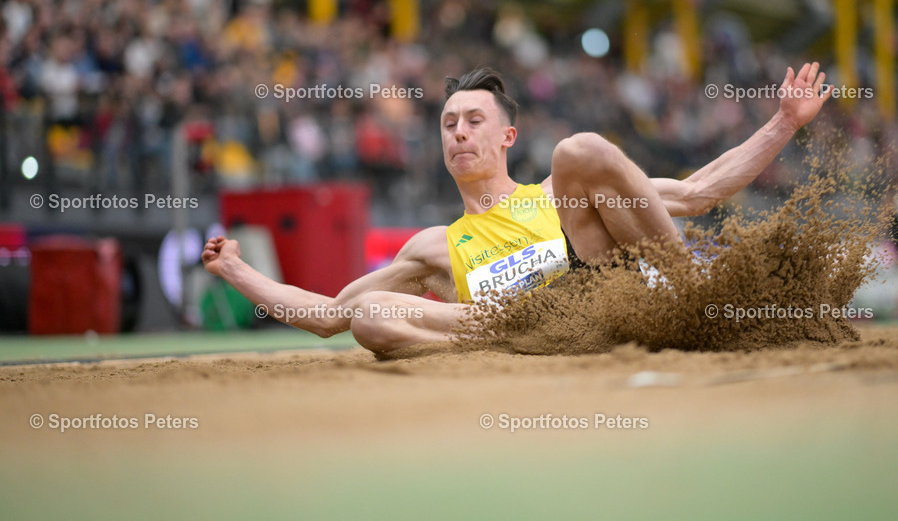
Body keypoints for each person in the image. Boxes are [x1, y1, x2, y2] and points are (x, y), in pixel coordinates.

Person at [203, 63, 833, 352]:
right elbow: (331, 315)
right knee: (369, 316)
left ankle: (700, 304)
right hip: (507, 333)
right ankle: (510, 342)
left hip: (605, 305)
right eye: (449, 123)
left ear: (506, 137)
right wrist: (236, 269)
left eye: (474, 120)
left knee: (580, 148)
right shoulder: (432, 248)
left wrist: (783, 121)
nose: (458, 132)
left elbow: (699, 193)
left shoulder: (565, 193)